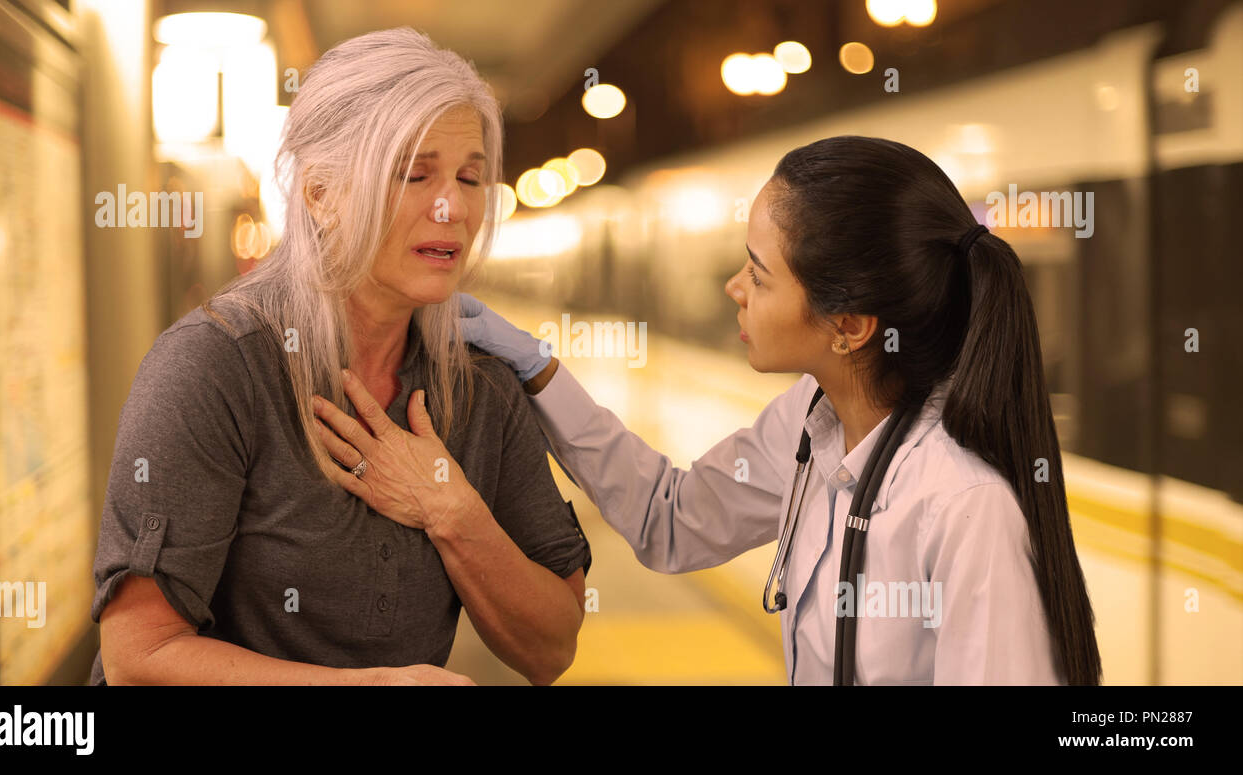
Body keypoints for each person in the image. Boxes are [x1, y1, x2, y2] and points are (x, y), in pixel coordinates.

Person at [457, 135, 1102, 685]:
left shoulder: (963, 506)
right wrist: (539, 369)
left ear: (847, 324)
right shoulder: (810, 420)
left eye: (759, 275)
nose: (733, 289)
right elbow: (672, 520)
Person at [89, 28, 591, 687]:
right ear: (320, 193)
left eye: (471, 176)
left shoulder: (479, 384)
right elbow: (138, 656)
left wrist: (451, 508)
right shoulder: (214, 368)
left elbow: (552, 645)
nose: (455, 205)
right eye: (414, 173)